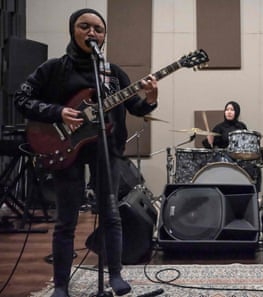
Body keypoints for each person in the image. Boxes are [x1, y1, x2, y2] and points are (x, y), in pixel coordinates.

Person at [14, 8, 158, 297]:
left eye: (98, 29)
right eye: (85, 26)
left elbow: (133, 108)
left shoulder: (112, 73)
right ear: (73, 30)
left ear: (104, 36)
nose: (92, 33)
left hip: (107, 150)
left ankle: (115, 275)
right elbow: (22, 97)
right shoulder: (54, 68)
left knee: (111, 214)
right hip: (65, 150)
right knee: (66, 219)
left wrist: (150, 99)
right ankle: (61, 286)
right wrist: (58, 112)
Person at [202, 101, 261, 192]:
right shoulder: (219, 127)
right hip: (225, 156)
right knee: (228, 165)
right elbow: (209, 146)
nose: (229, 112)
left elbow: (247, 143)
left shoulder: (241, 126)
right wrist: (209, 141)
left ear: (236, 112)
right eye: (227, 110)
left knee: (255, 169)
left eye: (232, 110)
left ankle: (254, 196)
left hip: (241, 157)